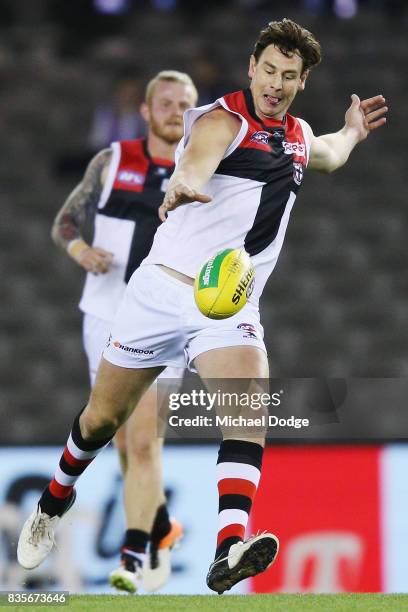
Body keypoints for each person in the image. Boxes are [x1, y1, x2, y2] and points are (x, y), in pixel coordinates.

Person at [17, 18, 387, 594]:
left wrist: (353, 132)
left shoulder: (294, 133)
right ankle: (53, 499)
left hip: (226, 303)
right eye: (268, 71)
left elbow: (330, 155)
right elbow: (198, 160)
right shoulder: (223, 120)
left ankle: (230, 545)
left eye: (289, 76)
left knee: (248, 412)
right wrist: (182, 182)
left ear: (301, 81)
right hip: (162, 290)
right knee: (101, 420)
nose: (275, 83)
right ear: (251, 69)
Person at [48, 70, 198, 594]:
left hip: (164, 319)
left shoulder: (204, 168)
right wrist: (81, 251)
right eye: (166, 101)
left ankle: (134, 556)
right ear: (146, 109)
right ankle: (162, 527)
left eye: (185, 102)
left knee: (143, 441)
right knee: (111, 431)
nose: (176, 109)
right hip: (106, 315)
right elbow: (64, 223)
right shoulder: (113, 161)